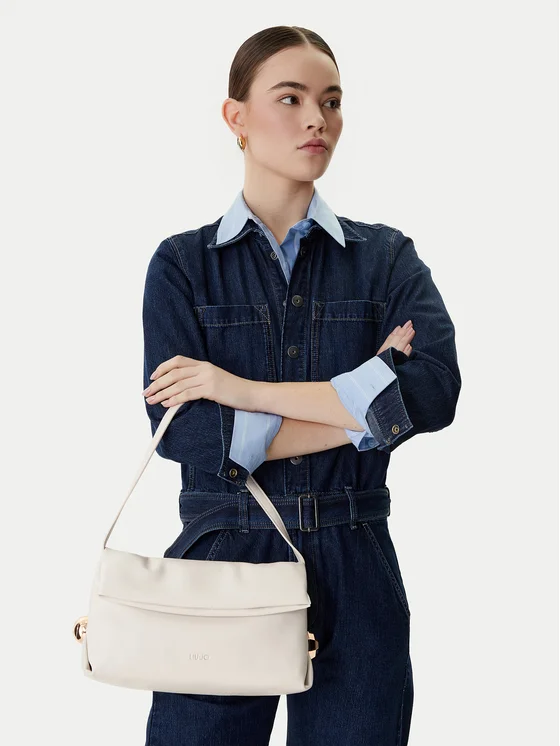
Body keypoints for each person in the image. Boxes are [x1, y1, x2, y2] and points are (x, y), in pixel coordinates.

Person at [141, 24, 461, 746]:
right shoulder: (184, 266)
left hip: (358, 558)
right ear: (237, 117)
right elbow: (187, 433)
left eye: (332, 101)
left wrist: (239, 389)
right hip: (225, 552)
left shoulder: (386, 258)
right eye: (290, 98)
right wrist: (365, 409)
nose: (317, 118)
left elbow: (434, 393)